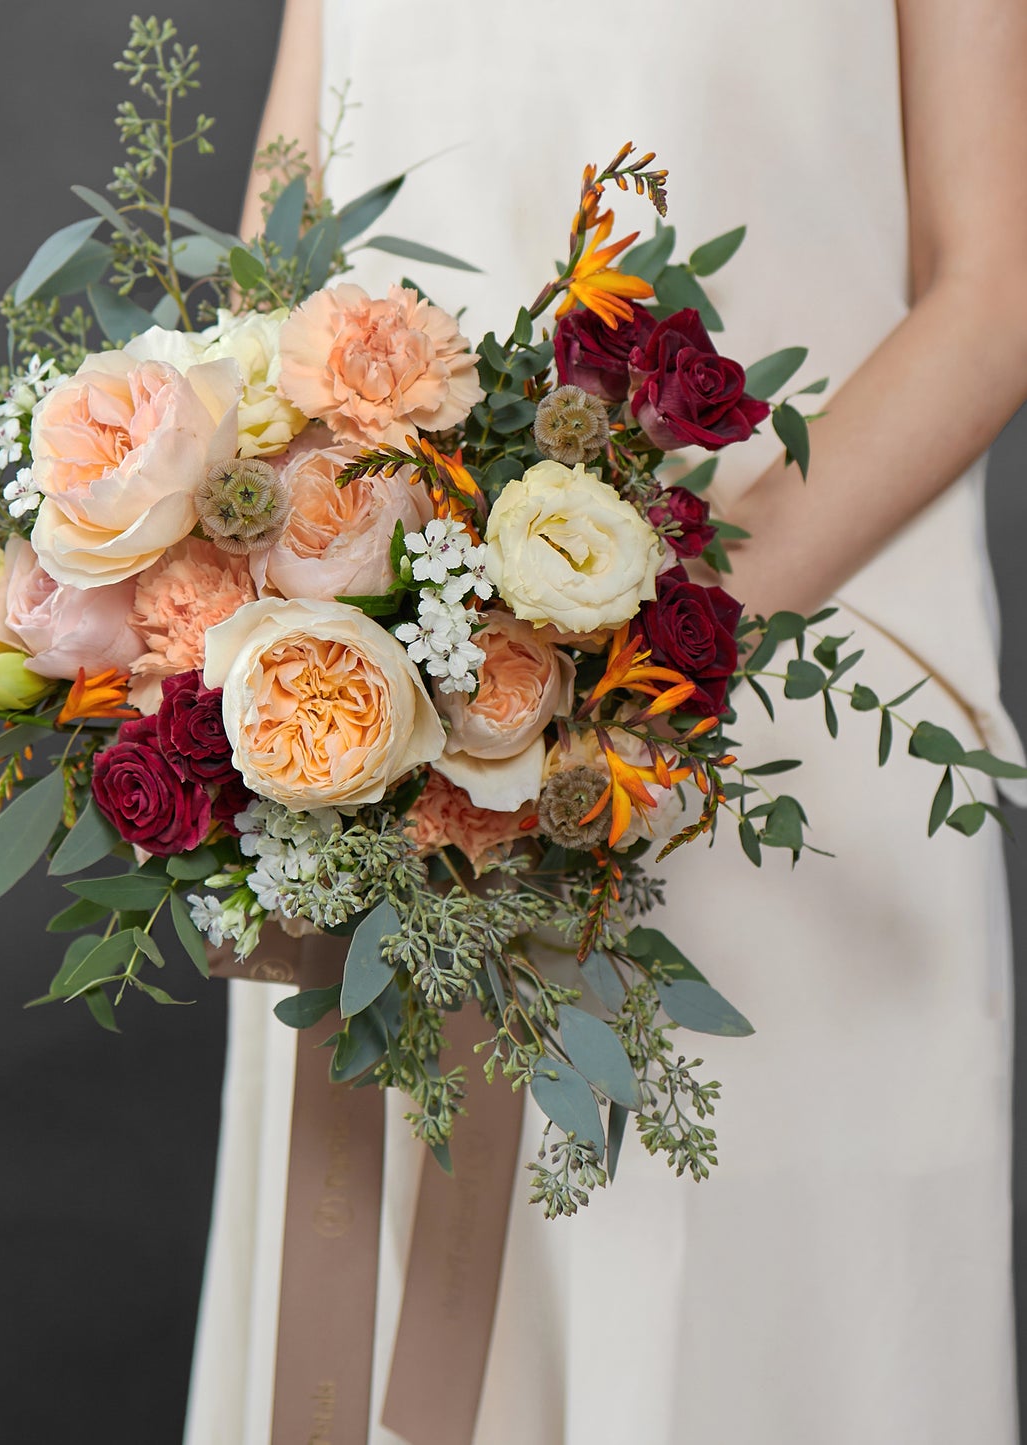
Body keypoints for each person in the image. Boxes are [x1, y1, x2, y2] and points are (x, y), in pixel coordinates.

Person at [185, 1, 1027, 1440]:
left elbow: (996, 288)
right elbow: (286, 251)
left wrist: (656, 632)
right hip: (396, 750)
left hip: (777, 755)